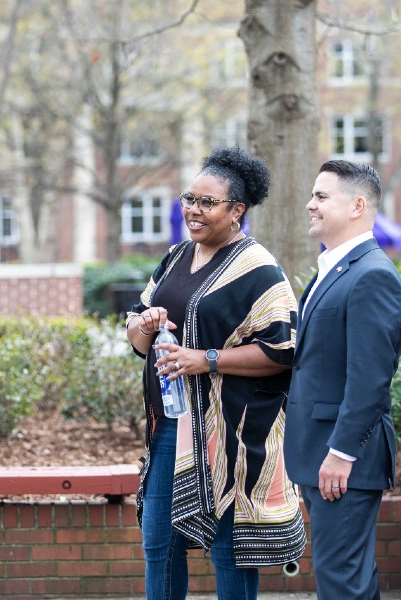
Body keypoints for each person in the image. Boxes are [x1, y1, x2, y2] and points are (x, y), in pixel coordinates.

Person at [126, 147, 306, 600]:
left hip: (230, 434)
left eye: (208, 202)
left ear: (237, 210)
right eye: (190, 198)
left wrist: (205, 359)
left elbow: (283, 350)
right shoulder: (174, 257)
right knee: (159, 544)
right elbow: (135, 331)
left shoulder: (258, 268)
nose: (193, 210)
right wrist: (144, 326)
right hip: (171, 426)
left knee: (229, 550)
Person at [284, 160, 401, 600]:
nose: (309, 205)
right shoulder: (331, 269)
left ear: (357, 205)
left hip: (342, 461)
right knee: (344, 578)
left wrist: (340, 453)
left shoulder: (372, 275)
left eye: (321, 196)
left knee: (342, 582)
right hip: (318, 454)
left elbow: (370, 380)